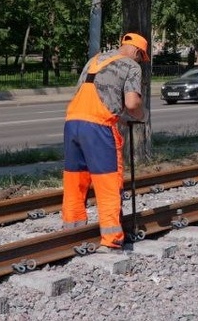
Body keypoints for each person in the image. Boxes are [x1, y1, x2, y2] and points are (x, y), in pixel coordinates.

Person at [62, 33, 148, 250]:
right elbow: (132, 103)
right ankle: (112, 240)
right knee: (108, 182)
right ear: (137, 51)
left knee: (75, 180)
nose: (140, 61)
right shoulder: (131, 65)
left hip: (72, 123)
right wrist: (142, 115)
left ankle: (72, 232)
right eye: (141, 57)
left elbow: (89, 93)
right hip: (98, 127)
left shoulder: (95, 60)